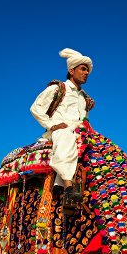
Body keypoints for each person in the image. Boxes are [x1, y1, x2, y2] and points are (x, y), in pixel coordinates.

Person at [30, 48, 94, 204]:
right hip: (60, 130)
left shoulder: (84, 98)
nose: (86, 73)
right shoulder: (58, 88)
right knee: (66, 137)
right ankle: (68, 188)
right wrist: (52, 125)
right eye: (83, 69)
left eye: (88, 70)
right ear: (71, 71)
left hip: (80, 130)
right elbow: (36, 108)